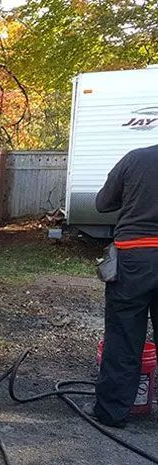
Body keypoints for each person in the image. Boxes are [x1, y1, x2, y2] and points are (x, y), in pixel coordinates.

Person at [92, 143, 158, 428]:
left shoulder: (135, 159)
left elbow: (103, 203)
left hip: (134, 258)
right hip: (137, 255)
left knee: (123, 337)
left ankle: (112, 412)